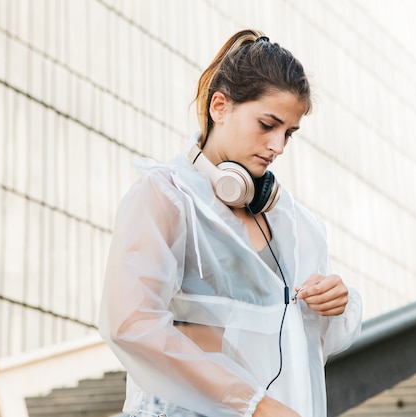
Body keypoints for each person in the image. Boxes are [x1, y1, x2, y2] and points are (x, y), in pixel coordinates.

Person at [99, 29, 362, 417]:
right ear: (219, 106)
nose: (278, 147)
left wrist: (334, 302)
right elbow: (131, 323)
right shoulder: (166, 196)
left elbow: (310, 341)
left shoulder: (290, 221)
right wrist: (253, 403)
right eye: (267, 125)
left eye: (289, 133)